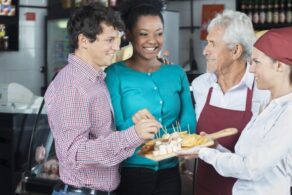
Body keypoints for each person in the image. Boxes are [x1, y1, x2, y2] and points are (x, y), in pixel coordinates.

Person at [44, 3, 161, 195]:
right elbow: (75, 153)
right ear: (84, 40)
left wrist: (133, 126)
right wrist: (133, 135)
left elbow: (100, 132)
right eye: (109, 40)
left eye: (118, 39)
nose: (116, 47)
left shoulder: (96, 78)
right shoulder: (72, 85)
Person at [182, 26, 292, 195]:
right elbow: (244, 159)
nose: (251, 69)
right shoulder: (266, 106)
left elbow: (251, 169)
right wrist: (214, 146)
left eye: (256, 62)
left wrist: (203, 152)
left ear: (279, 66)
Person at [104, 0, 196, 194]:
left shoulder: (176, 72)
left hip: (170, 173)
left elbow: (188, 119)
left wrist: (181, 142)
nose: (153, 41)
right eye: (143, 34)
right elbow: (117, 125)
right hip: (131, 173)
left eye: (159, 33)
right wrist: (138, 127)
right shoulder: (114, 74)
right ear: (128, 34)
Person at [190, 10, 270, 195]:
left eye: (212, 44)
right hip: (205, 187)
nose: (205, 50)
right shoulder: (201, 85)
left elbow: (261, 159)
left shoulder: (262, 89)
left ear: (235, 50)